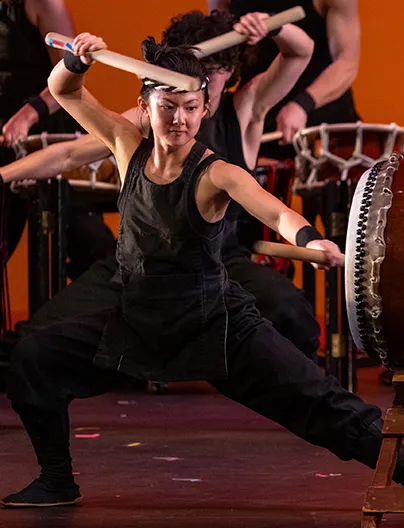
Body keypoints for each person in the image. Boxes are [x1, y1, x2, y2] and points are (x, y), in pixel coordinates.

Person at [0, 33, 404, 508]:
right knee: (34, 357)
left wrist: (310, 239)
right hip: (137, 322)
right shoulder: (125, 146)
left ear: (204, 110)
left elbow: (278, 214)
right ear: (145, 104)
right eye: (167, 106)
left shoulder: (217, 173)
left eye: (190, 107)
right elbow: (64, 91)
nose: (178, 118)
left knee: (315, 400)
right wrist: (75, 60)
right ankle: (57, 480)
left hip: (213, 324)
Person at [0, 9, 323, 360]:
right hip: (142, 262)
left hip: (219, 262)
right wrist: (3, 175)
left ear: (228, 72)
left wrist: (270, 24)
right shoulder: (149, 118)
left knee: (292, 313)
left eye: (207, 77)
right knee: (35, 339)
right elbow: (69, 155)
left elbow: (300, 51)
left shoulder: (246, 108)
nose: (189, 98)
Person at [0, 0, 113, 281]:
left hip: (45, 137)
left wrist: (27, 115)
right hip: (4, 141)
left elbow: (70, 75)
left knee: (92, 249)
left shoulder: (44, 3)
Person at [211, 0, 361, 153]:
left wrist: (302, 104)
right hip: (256, 115)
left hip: (324, 123)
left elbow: (347, 63)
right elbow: (221, 55)